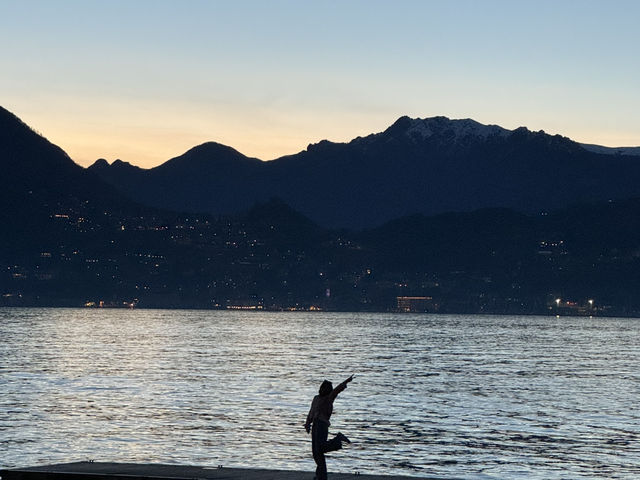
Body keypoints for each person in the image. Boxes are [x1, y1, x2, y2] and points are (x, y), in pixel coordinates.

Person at [304, 374, 354, 480]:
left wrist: (347, 381)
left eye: (324, 388)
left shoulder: (328, 398)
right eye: (321, 387)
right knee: (316, 452)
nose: (322, 390)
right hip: (315, 426)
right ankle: (321, 476)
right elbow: (311, 412)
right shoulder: (316, 398)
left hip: (322, 426)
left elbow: (337, 390)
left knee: (320, 449)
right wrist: (308, 423)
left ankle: (338, 439)